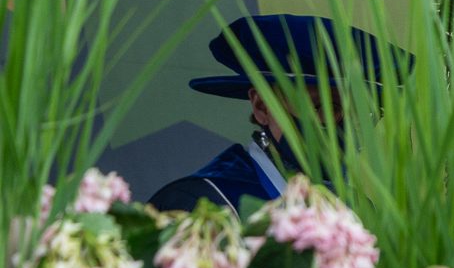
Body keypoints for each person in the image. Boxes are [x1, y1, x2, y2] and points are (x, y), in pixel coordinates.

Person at [148, 14, 400, 213]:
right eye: (322, 107)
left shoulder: (355, 208)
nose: (342, 127)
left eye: (361, 114)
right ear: (262, 107)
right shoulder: (200, 204)